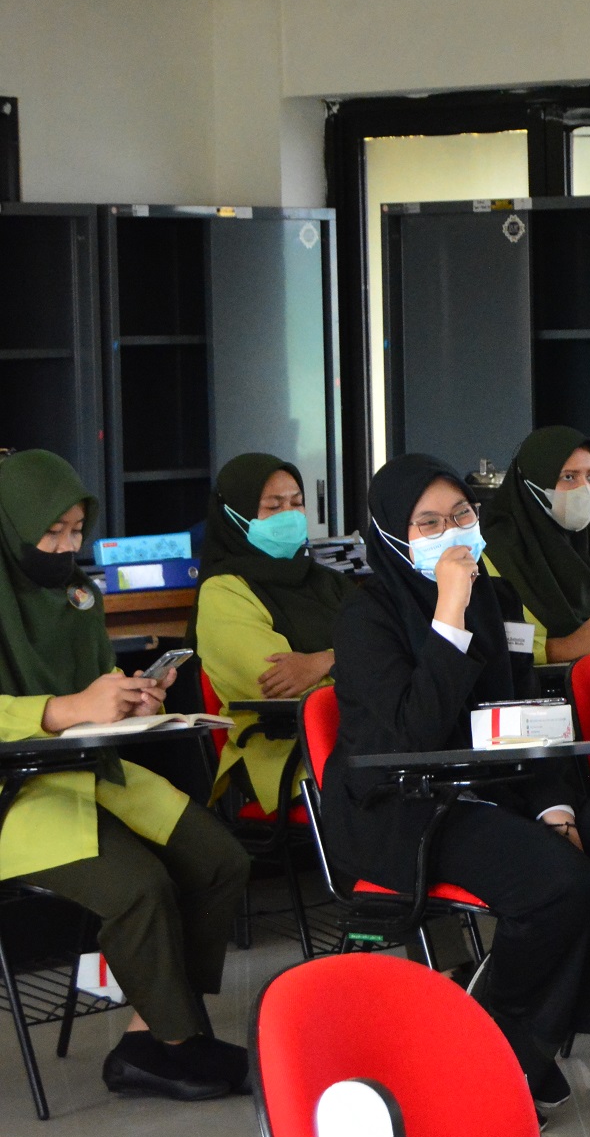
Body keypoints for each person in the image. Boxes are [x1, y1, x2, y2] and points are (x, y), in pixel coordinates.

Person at [321, 454, 590, 1107]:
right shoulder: (365, 616)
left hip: (497, 781)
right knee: (560, 884)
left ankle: (529, 1039)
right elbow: (412, 736)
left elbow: (525, 713)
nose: (452, 532)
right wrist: (448, 617)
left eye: (461, 514)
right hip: (404, 802)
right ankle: (494, 1047)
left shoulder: (497, 598)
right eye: (429, 523)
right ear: (393, 534)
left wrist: (556, 808)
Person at [0, 450, 252, 1100]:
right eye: (51, 531)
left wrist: (128, 697)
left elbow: (90, 689)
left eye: (77, 530)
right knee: (139, 887)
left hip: (89, 771)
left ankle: (149, 1037)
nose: (67, 546)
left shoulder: (77, 595)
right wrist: (64, 709)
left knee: (219, 859)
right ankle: (178, 1044)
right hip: (15, 795)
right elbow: (66, 705)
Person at [190, 453, 353, 811]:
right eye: (273, 507)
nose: (289, 515)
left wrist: (323, 661)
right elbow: (279, 682)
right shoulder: (224, 591)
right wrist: (363, 668)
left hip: (362, 735)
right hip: (286, 754)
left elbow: (391, 649)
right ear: (235, 515)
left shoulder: (330, 582)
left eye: (297, 503)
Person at [479, 426, 590, 665]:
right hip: (529, 686)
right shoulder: (492, 556)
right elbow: (487, 640)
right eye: (568, 477)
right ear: (533, 482)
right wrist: (561, 648)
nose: (585, 490)